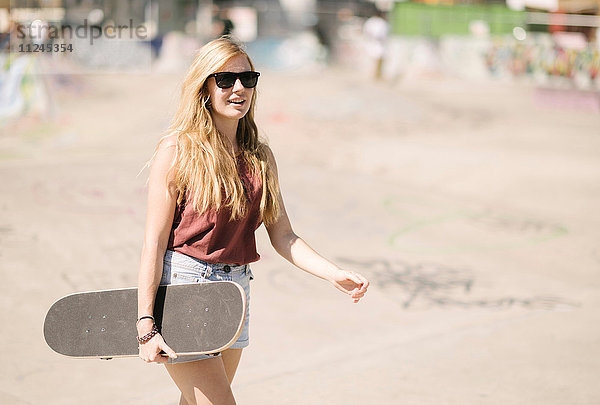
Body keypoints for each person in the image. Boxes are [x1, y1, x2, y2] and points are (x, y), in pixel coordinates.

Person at [136, 36, 369, 405]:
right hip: (185, 287)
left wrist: (332, 273)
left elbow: (284, 235)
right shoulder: (178, 150)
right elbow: (154, 241)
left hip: (236, 292)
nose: (239, 88)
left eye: (248, 78)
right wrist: (146, 325)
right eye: (225, 80)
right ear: (204, 87)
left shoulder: (260, 156)